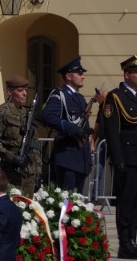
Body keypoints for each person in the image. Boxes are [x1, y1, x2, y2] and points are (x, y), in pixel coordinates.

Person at [100, 55, 137, 259]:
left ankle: (133, 239)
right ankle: (125, 243)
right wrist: (118, 159)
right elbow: (112, 130)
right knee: (127, 201)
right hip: (129, 156)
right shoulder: (115, 97)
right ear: (127, 74)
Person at [41, 57, 101, 191]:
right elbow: (48, 116)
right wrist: (72, 129)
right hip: (67, 156)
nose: (83, 77)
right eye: (79, 74)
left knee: (77, 201)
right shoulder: (59, 94)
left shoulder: (79, 97)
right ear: (68, 76)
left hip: (81, 156)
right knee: (66, 201)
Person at [0, 75, 40, 195]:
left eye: (26, 90)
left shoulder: (27, 113)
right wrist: (12, 157)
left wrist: (38, 172)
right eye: (20, 90)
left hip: (30, 171)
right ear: (9, 91)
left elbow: (35, 146)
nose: (24, 93)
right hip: (11, 171)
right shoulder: (2, 112)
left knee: (28, 208)